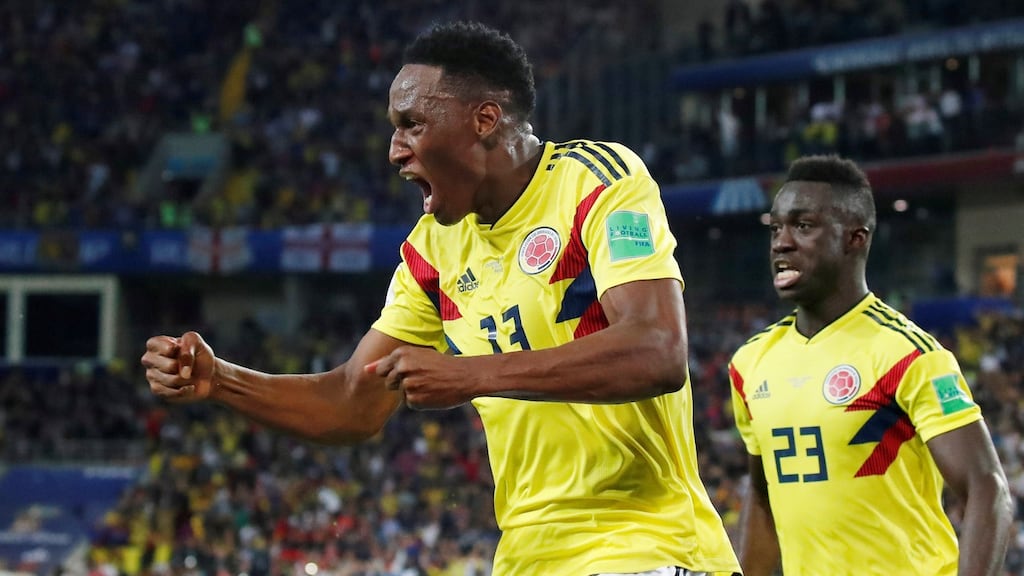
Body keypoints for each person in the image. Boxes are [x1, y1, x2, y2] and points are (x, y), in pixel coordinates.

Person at [142, 21, 740, 576]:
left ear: (484, 119)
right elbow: (353, 402)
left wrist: (470, 374)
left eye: (412, 125)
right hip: (529, 559)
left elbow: (657, 350)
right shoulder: (432, 251)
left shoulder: (596, 179)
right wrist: (222, 382)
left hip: (649, 545)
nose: (395, 149)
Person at [728, 155, 1014, 576]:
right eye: (776, 228)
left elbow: (987, 490)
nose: (781, 243)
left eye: (803, 226)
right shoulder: (750, 363)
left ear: (855, 239)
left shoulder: (908, 354)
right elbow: (762, 494)